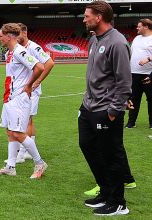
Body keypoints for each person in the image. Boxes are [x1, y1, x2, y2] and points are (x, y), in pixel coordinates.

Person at [79, 1, 132, 215]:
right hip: (89, 107)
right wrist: (85, 104)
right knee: (88, 146)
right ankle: (105, 191)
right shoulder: (94, 39)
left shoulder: (117, 43)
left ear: (99, 17)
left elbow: (124, 82)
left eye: (86, 16)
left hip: (106, 109)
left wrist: (113, 111)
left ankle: (118, 202)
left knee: (111, 154)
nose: (84, 19)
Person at [0, 23, 47, 179]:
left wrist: (29, 85)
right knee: (10, 132)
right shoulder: (10, 52)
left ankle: (40, 163)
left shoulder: (19, 51)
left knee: (17, 133)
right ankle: (10, 166)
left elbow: (39, 67)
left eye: (1, 35)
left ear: (9, 36)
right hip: (9, 97)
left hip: (19, 99)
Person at [10, 23, 54, 163]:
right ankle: (28, 151)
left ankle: (21, 154)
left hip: (31, 91)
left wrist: (38, 81)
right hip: (22, 90)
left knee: (25, 120)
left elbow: (49, 63)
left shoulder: (33, 47)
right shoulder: (19, 49)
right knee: (28, 119)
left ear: (25, 32)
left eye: (18, 34)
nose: (16, 38)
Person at [125, 18, 152, 129]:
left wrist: (149, 58)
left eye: (139, 26)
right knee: (132, 99)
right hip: (134, 74)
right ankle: (131, 122)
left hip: (148, 74)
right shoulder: (136, 38)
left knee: (151, 99)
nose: (137, 28)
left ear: (146, 27)